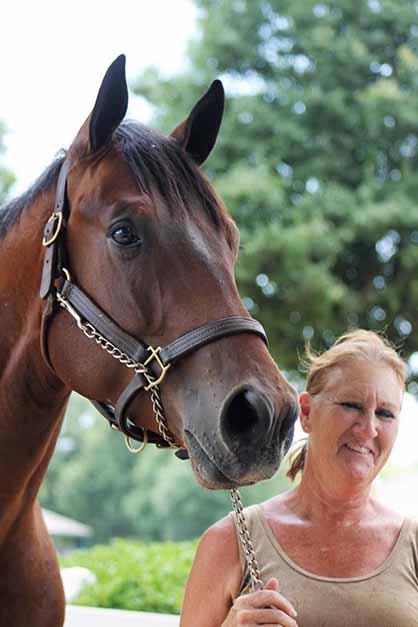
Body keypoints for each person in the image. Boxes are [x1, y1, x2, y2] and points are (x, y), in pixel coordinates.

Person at [180, 330, 418, 626]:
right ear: (306, 412)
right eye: (351, 405)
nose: (368, 428)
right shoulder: (230, 541)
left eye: (385, 414)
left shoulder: (413, 544)